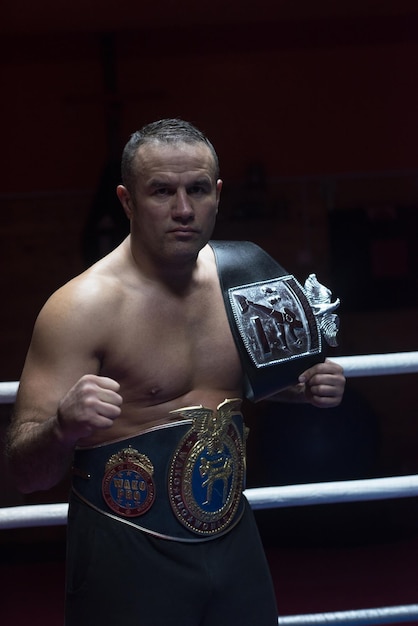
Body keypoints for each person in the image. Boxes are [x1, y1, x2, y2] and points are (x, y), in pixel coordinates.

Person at [6, 118, 345, 626]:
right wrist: (62, 426)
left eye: (197, 190)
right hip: (126, 550)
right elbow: (25, 474)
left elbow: (237, 384)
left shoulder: (247, 279)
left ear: (218, 194)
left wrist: (304, 386)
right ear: (126, 201)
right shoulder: (81, 308)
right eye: (162, 191)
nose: (183, 210)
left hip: (233, 541)